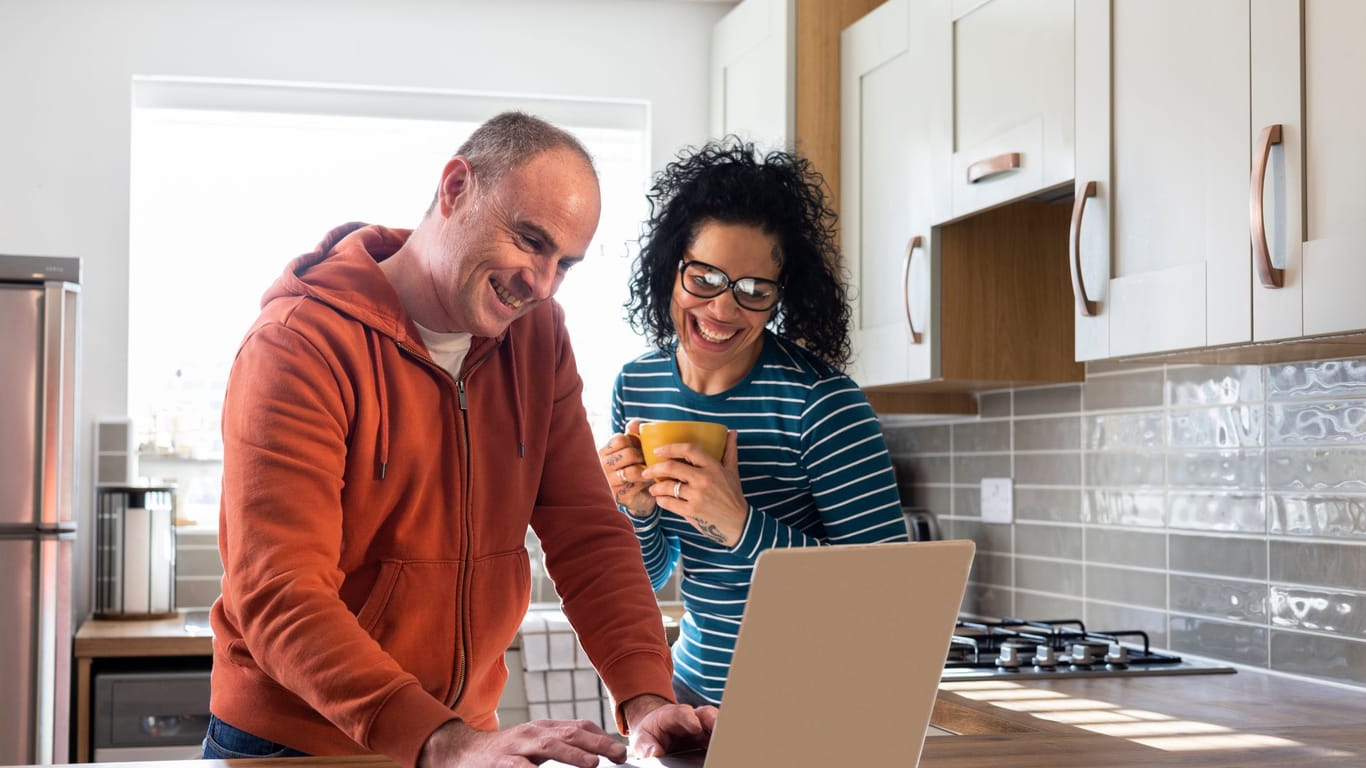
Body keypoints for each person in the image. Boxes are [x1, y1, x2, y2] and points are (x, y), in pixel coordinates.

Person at [204, 112, 716, 768]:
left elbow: (588, 535)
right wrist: (442, 741)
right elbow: (278, 589)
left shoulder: (539, 339)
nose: (542, 284)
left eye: (565, 264)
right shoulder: (299, 344)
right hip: (298, 740)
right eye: (530, 240)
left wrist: (647, 700)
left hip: (461, 735)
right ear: (454, 189)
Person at [597, 140, 909, 707]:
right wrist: (637, 512)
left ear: (779, 298)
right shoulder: (636, 386)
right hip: (688, 689)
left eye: (753, 291)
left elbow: (888, 599)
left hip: (806, 704)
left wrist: (740, 524)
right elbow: (654, 572)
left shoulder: (823, 403)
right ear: (672, 268)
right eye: (705, 278)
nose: (722, 310)